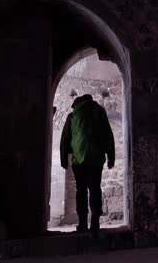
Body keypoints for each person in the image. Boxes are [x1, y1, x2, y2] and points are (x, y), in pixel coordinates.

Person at [60, 94, 115, 233]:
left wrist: (63, 159)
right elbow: (108, 135)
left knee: (81, 190)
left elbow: (65, 138)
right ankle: (95, 223)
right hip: (96, 159)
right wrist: (111, 157)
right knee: (95, 189)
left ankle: (83, 224)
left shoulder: (72, 116)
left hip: (79, 160)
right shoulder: (100, 112)